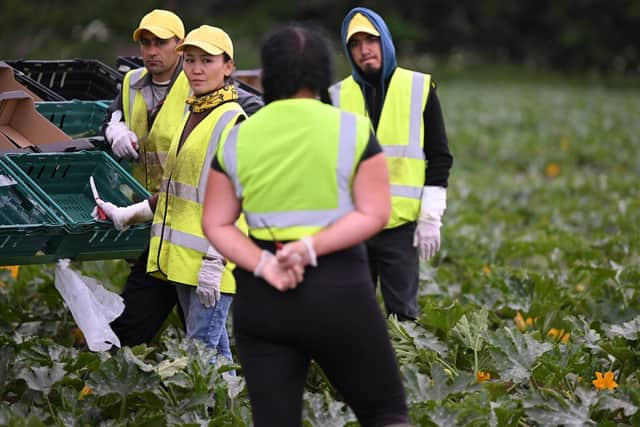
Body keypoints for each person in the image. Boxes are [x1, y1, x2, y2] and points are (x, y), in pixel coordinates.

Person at [202, 25, 411, 427]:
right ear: (323, 73)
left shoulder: (238, 137)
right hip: (339, 291)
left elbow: (216, 222)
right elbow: (375, 212)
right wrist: (310, 248)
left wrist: (265, 266)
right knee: (385, 414)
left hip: (263, 297)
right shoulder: (352, 129)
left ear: (266, 76)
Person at [102, 9, 262, 346]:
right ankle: (229, 401)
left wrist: (216, 261)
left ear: (228, 67)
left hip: (207, 262)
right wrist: (129, 214)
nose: (196, 69)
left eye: (207, 60)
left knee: (202, 358)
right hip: (177, 253)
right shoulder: (193, 111)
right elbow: (179, 190)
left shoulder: (231, 119)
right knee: (212, 359)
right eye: (190, 60)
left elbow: (238, 196)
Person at [329, 7, 453, 321]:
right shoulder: (336, 96)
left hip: (401, 228)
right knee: (352, 314)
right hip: (354, 227)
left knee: (404, 317)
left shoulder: (419, 87)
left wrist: (431, 216)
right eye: (355, 44)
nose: (364, 49)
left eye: (370, 40)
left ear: (384, 41)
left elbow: (439, 156)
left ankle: (405, 372)